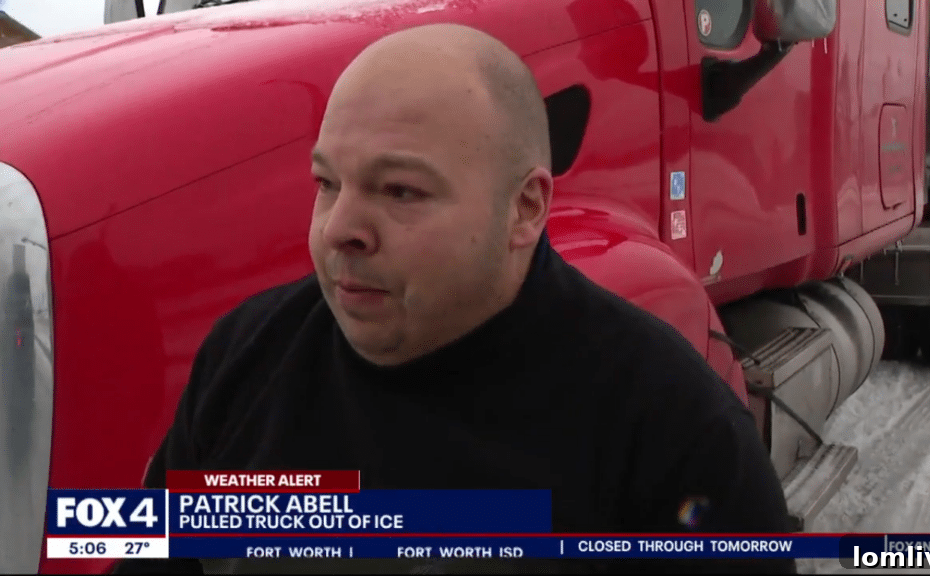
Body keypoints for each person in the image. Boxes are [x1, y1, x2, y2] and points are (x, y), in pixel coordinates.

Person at [114, 22, 795, 574]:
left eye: (400, 190)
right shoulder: (247, 357)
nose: (339, 229)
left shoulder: (669, 432)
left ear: (525, 208)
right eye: (328, 183)